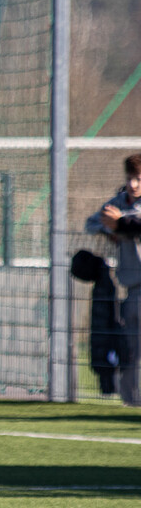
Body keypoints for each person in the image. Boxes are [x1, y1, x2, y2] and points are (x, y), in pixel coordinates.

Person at [84, 153, 141, 407]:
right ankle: (131, 403)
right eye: (130, 178)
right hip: (132, 289)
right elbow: (92, 223)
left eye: (138, 179)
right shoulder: (118, 203)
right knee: (129, 350)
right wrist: (111, 229)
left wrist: (122, 225)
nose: (133, 184)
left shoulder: (125, 214)